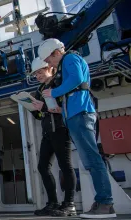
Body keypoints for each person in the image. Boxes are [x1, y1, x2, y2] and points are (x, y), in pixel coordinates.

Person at [38, 38, 116, 219]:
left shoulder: (69, 59)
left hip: (80, 114)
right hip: (75, 115)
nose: (49, 64)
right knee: (90, 160)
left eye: (49, 61)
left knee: (92, 160)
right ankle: (103, 201)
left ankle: (105, 203)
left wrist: (53, 92)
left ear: (56, 53)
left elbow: (77, 79)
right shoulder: (69, 61)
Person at [28, 58, 77, 217]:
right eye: (35, 73)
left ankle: (69, 204)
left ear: (50, 68)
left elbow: (64, 107)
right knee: (42, 167)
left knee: (65, 166)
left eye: (40, 71)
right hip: (47, 132)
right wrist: (33, 108)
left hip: (61, 130)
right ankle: (53, 203)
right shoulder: (40, 89)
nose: (37, 75)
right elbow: (40, 115)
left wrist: (44, 107)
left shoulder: (59, 83)